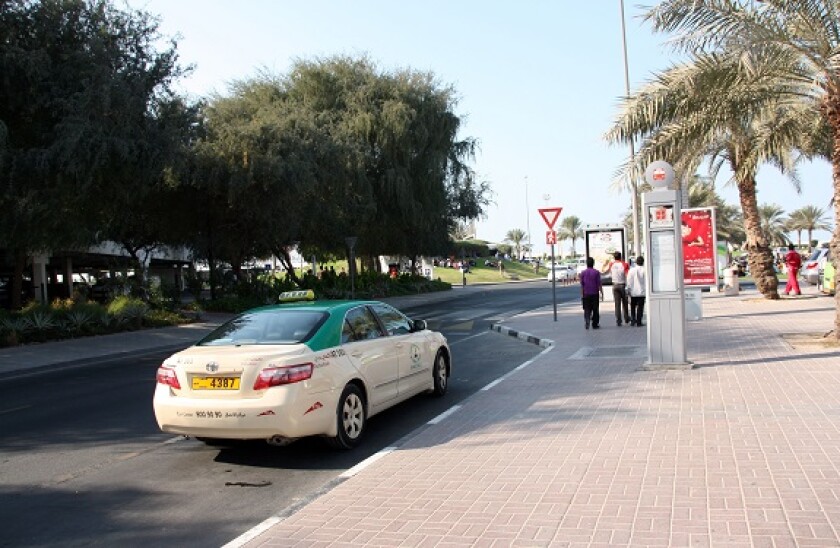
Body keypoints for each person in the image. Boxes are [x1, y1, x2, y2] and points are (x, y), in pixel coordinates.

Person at [604, 251, 631, 326]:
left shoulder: (611, 264)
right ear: (621, 256)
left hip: (614, 285)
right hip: (622, 285)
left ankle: (618, 320)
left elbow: (608, 274)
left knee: (617, 304)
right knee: (625, 303)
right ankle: (626, 318)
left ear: (614, 257)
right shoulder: (625, 264)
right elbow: (627, 275)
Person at [580, 257, 603, 330]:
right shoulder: (596, 272)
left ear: (587, 264)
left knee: (587, 309)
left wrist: (582, 294)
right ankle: (595, 324)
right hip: (595, 293)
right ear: (593, 263)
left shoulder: (583, 273)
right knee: (595, 309)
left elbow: (582, 285)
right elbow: (599, 284)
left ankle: (587, 321)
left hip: (586, 293)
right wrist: (602, 293)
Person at [627, 255, 646, 327]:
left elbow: (629, 281)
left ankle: (633, 320)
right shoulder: (645, 270)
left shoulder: (631, 270)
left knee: (632, 306)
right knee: (640, 307)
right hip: (642, 292)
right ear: (643, 262)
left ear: (636, 262)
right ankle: (639, 321)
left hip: (633, 292)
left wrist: (628, 289)